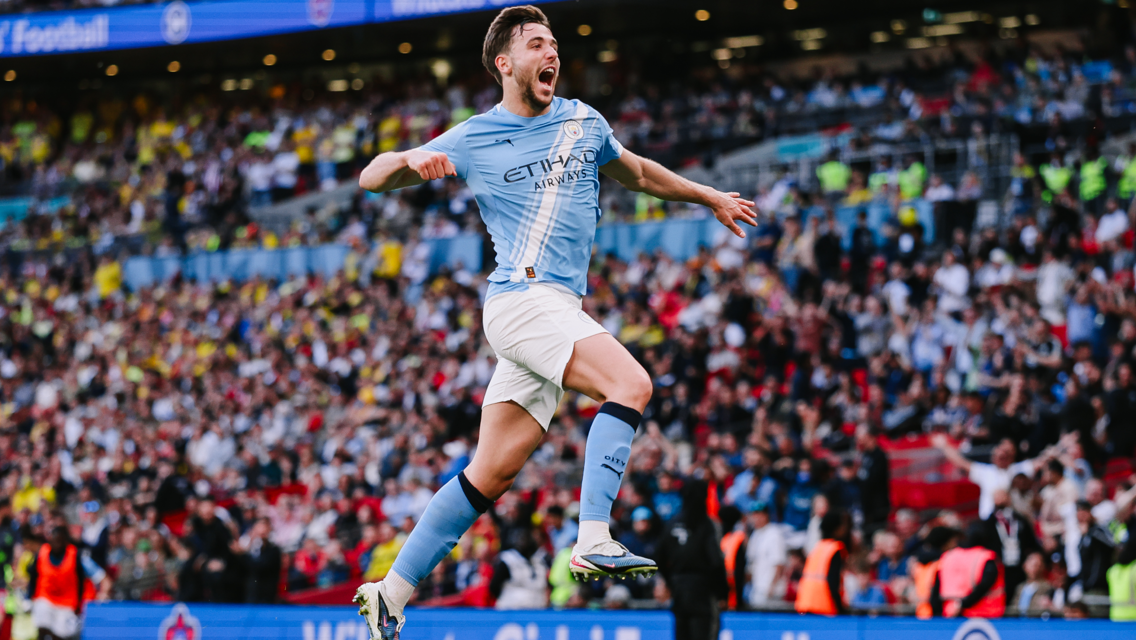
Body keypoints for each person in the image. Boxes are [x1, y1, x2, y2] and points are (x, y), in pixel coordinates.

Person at [352, 6, 757, 639]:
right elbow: (369, 179)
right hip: (522, 300)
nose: (553, 54)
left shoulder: (582, 122)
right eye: (537, 44)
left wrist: (711, 197)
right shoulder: (471, 137)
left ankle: (391, 592)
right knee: (632, 385)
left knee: (493, 473)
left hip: (554, 308)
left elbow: (642, 174)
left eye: (556, 45)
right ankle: (593, 535)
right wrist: (407, 159)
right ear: (503, 63)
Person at [657, 480, 728, 640]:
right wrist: (722, 593)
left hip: (679, 589)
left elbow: (658, 558)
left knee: (682, 634)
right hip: (703, 590)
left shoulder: (672, 524)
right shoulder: (708, 525)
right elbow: (716, 561)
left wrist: (670, 581)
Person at [26, 526, 105, 640]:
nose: (57, 544)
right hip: (46, 599)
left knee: (62, 634)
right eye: (54, 541)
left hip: (67, 604)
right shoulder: (41, 553)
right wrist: (29, 597)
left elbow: (87, 580)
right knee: (42, 621)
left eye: (60, 541)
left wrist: (79, 605)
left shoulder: (76, 555)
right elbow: (33, 576)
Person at [931, 521, 1005, 618]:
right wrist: (961, 604)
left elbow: (935, 590)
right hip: (983, 617)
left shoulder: (947, 556)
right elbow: (984, 585)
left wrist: (938, 615)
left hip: (948, 615)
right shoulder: (986, 557)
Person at [795, 511, 849, 616]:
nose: (844, 528)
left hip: (806, 605)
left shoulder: (818, 547)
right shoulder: (834, 549)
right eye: (842, 524)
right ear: (835, 528)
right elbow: (833, 584)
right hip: (823, 608)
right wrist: (840, 610)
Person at [745, 501, 787, 609]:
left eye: (759, 514)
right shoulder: (755, 534)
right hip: (757, 588)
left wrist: (771, 588)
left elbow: (779, 564)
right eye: (754, 514)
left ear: (766, 515)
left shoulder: (774, 534)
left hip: (770, 591)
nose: (756, 518)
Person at [231, 518, 282, 604]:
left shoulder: (273, 550)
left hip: (265, 593)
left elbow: (259, 566)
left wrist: (242, 554)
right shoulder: (250, 546)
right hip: (247, 591)